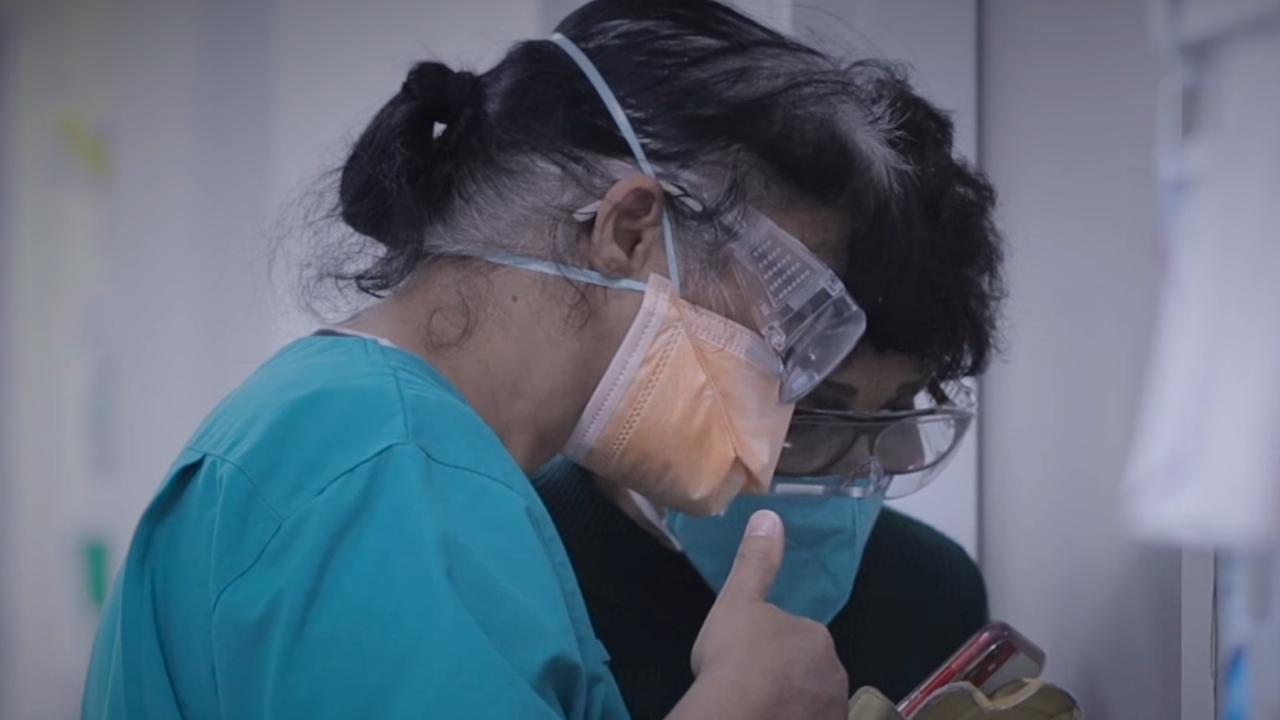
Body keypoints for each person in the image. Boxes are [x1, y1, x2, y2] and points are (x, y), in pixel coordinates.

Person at [80, 1, 941, 718]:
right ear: (631, 230)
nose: (783, 387)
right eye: (787, 315)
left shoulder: (394, 451)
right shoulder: (380, 465)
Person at [532, 63, 1004, 718]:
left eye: (897, 409)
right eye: (811, 416)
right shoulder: (517, 562)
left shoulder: (929, 589)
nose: (855, 477)